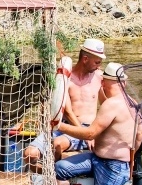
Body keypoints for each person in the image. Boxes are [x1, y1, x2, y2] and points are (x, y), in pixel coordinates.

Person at [54, 62, 142, 185]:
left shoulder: (113, 104)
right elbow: (140, 134)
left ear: (110, 82)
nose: (101, 83)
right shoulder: (133, 103)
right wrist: (130, 159)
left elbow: (90, 133)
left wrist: (59, 126)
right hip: (96, 158)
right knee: (60, 168)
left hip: (113, 168)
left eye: (104, 81)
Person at [24, 38, 106, 170]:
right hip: (65, 126)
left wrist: (93, 133)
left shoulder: (99, 77)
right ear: (85, 59)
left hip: (88, 128)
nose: (99, 66)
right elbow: (67, 112)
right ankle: (49, 174)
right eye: (97, 62)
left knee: (57, 144)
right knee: (30, 155)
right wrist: (84, 134)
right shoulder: (66, 78)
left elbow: (106, 105)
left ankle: (56, 172)